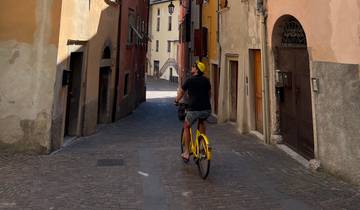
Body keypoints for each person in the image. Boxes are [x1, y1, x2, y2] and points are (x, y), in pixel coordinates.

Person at [175, 61, 211, 162]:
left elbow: (181, 92)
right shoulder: (206, 80)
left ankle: (186, 152)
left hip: (193, 109)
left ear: (197, 69)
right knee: (202, 121)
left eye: (193, 66)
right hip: (206, 109)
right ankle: (202, 145)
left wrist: (176, 101)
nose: (191, 67)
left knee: (186, 126)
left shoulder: (190, 80)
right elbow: (209, 93)